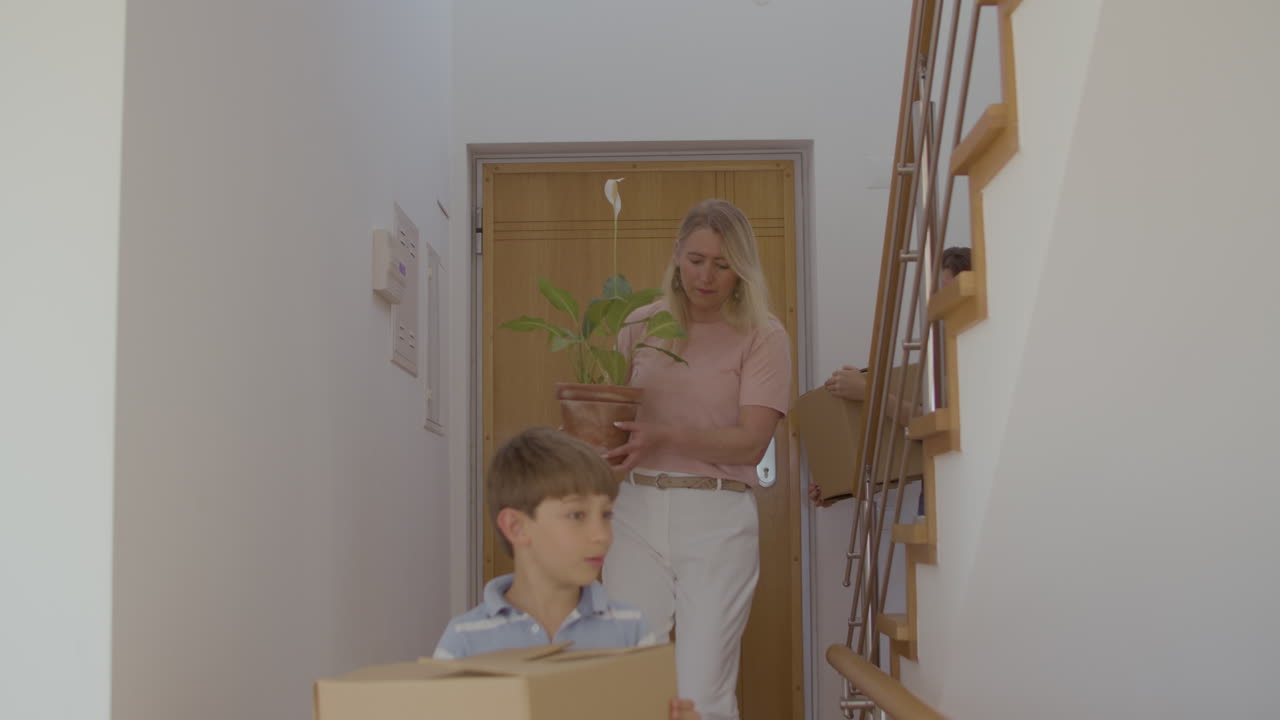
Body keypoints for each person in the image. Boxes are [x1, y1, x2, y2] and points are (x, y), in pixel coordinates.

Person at [603, 199, 792, 720]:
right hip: (635, 511)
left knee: (702, 692)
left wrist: (663, 435)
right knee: (632, 679)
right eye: (696, 259)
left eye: (723, 264)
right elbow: (612, 415)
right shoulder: (638, 324)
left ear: (742, 271)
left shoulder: (764, 336)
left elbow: (752, 442)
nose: (705, 276)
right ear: (676, 256)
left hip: (717, 518)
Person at [433, 427, 699, 720]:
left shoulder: (631, 629)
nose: (601, 535)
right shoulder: (464, 640)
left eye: (606, 515)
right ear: (516, 527)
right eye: (577, 515)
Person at [808, 246, 972, 508]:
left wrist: (870, 393)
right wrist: (838, 487)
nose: (940, 301)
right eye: (937, 292)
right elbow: (910, 446)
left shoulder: (976, 352)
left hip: (964, 491)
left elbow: (941, 424)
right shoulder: (939, 354)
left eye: (948, 290)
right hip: (935, 491)